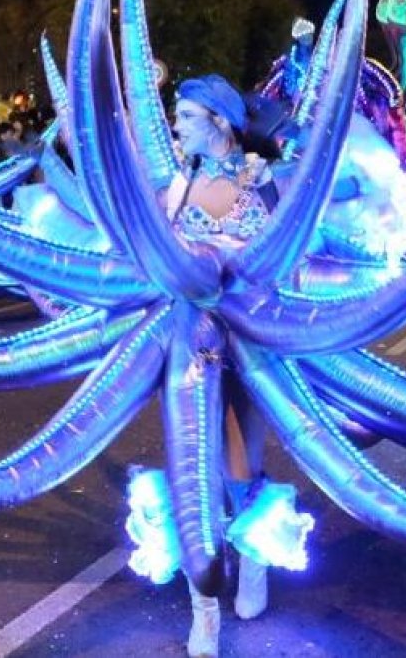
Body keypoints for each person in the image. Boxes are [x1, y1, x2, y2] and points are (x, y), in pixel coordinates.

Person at [161, 74, 277, 658]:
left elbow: (284, 256)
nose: (176, 124)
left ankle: (252, 562)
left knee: (237, 461)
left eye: (185, 115)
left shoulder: (259, 180)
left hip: (247, 341)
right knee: (191, 462)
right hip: (188, 342)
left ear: (220, 121)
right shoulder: (183, 181)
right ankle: (203, 608)